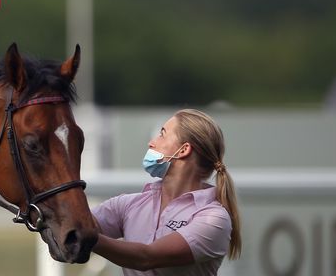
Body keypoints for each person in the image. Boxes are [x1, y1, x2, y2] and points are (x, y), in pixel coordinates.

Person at [91, 109, 242, 275]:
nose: (151, 142)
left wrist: (87, 238)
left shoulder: (214, 218)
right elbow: (72, 227)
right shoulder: (128, 204)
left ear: (184, 150)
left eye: (162, 134)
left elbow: (146, 258)